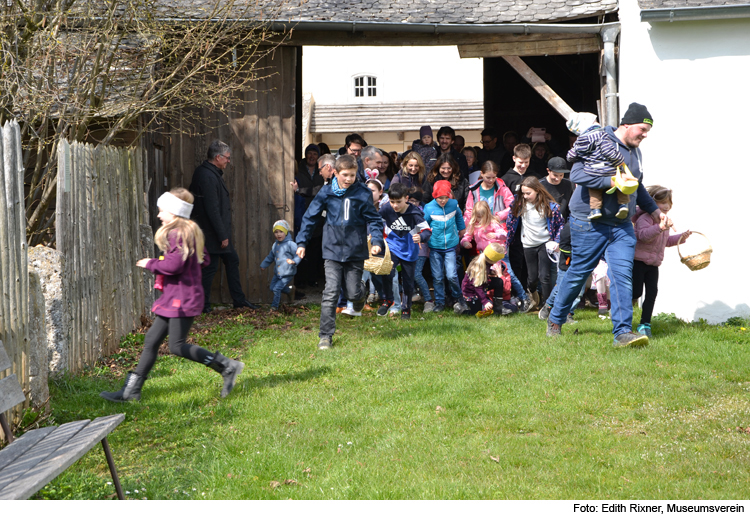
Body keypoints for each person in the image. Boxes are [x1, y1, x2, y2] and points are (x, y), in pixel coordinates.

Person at [100, 189, 244, 402]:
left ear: (174, 211)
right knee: (151, 339)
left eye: (161, 210)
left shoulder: (178, 233)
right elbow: (202, 261)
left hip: (181, 298)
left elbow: (175, 265)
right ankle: (131, 392)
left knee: (177, 346)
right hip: (177, 296)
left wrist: (151, 263)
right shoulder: (189, 231)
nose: (158, 215)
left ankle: (227, 366)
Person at [546, 102, 665, 347]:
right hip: (589, 221)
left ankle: (622, 332)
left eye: (647, 132)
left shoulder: (635, 152)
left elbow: (637, 185)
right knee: (578, 273)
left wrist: (654, 211)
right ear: (627, 124)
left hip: (621, 226)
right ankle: (555, 319)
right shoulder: (596, 138)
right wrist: (612, 180)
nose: (644, 135)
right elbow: (577, 175)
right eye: (642, 130)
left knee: (622, 276)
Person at [295, 155, 384, 350]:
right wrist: (301, 242)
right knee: (331, 292)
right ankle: (325, 336)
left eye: (352, 175)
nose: (349, 179)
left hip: (355, 251)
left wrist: (377, 240)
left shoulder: (362, 193)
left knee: (353, 293)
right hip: (332, 250)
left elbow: (374, 220)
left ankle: (360, 294)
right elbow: (310, 218)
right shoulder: (326, 193)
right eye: (345, 175)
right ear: (335, 173)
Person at [189, 140, 259, 312]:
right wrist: (222, 236)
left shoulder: (209, 173)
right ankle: (203, 306)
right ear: (218, 157)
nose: (228, 161)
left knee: (230, 261)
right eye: (227, 158)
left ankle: (238, 300)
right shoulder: (206, 175)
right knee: (209, 268)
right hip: (210, 233)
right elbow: (212, 210)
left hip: (213, 232)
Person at [632, 186, 691, 337]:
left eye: (668, 202)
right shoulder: (645, 218)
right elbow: (643, 236)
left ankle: (645, 324)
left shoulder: (665, 221)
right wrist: (660, 227)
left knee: (652, 293)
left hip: (653, 264)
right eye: (662, 202)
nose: (666, 206)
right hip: (639, 262)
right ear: (652, 203)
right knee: (637, 292)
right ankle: (621, 313)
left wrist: (680, 238)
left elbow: (664, 241)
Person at [505, 177, 564, 310]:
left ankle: (547, 305)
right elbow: (510, 223)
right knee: (532, 278)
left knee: (545, 276)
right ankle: (533, 296)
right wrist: (506, 241)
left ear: (537, 191)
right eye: (523, 193)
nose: (525, 196)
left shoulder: (550, 206)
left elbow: (560, 224)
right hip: (528, 244)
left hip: (545, 243)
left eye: (528, 193)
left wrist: (557, 241)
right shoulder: (519, 204)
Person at [375, 183, 432, 319]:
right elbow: (375, 222)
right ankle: (388, 300)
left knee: (407, 281)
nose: (395, 205)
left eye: (398, 202)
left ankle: (406, 309)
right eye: (392, 202)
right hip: (392, 246)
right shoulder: (386, 209)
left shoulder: (414, 212)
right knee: (387, 271)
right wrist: (375, 235)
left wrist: (420, 236)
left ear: (406, 198)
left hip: (409, 250)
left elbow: (427, 230)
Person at [567, 112, 633, 221]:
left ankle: (595, 210)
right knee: (621, 185)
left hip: (592, 171)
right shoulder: (601, 135)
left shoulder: (579, 141)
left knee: (594, 190)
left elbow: (571, 155)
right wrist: (620, 160)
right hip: (608, 168)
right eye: (595, 121)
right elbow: (608, 151)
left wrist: (573, 157)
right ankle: (623, 205)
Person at [423, 180, 467, 313]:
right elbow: (423, 224)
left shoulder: (453, 204)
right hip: (435, 246)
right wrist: (419, 237)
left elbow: (459, 216)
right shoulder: (429, 208)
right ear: (434, 196)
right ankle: (440, 302)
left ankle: (459, 298)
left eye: (445, 198)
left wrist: (461, 229)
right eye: (439, 198)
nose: (442, 201)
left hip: (451, 245)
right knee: (437, 276)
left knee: (452, 275)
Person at [538, 221, 586, 324]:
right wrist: (577, 255)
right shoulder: (569, 227)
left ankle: (568, 314)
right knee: (560, 288)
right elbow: (563, 247)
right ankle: (548, 306)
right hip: (567, 264)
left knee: (579, 292)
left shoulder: (590, 228)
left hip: (582, 265)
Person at [260, 220, 301, 312]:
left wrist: (294, 261)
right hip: (278, 273)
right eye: (276, 232)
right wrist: (264, 265)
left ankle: (274, 307)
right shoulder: (275, 245)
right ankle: (289, 291)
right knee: (272, 288)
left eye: (281, 232)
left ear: (286, 232)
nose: (278, 234)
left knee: (276, 288)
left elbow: (299, 254)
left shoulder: (291, 244)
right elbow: (270, 257)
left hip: (287, 272)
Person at [460, 243, 506, 316]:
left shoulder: (486, 260)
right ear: (493, 260)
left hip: (483, 284)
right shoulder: (478, 267)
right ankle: (460, 310)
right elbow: (477, 288)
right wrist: (485, 302)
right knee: (476, 313)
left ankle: (498, 309)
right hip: (472, 291)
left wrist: (491, 271)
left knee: (499, 282)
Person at [463, 160, 513, 225]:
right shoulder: (474, 190)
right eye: (488, 177)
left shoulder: (503, 189)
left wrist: (499, 217)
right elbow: (469, 211)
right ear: (482, 174)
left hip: (497, 228)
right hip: (479, 228)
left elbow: (512, 207)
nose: (491, 180)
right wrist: (467, 226)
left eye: (494, 177)